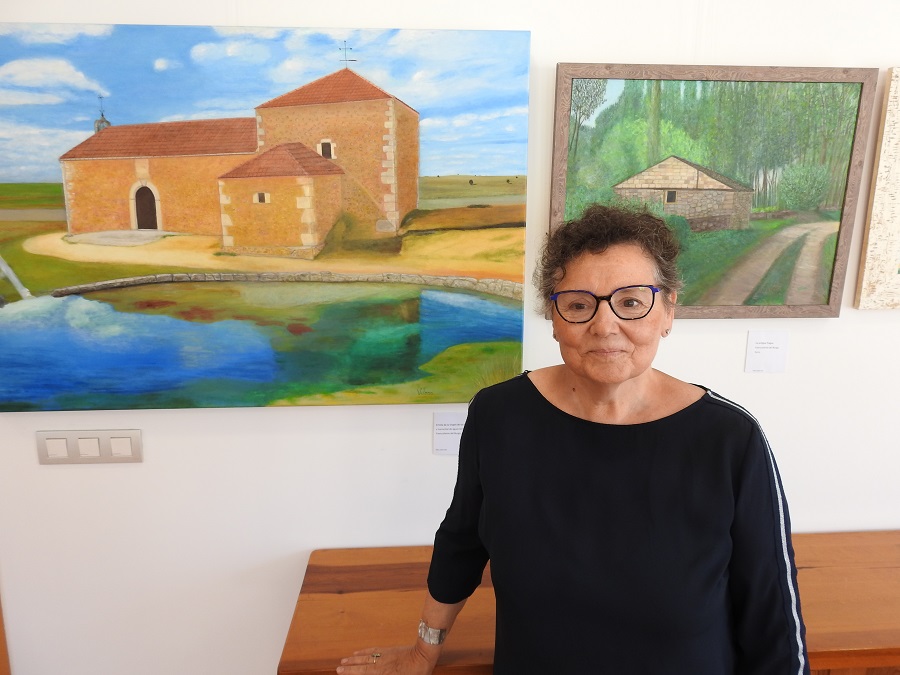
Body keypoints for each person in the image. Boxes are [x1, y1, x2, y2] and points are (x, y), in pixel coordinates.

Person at [337, 203, 809, 674]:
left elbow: (771, 612)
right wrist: (423, 651)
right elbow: (461, 543)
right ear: (555, 315)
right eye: (580, 304)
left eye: (630, 302)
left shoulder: (729, 439)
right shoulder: (499, 416)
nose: (604, 326)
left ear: (668, 310)